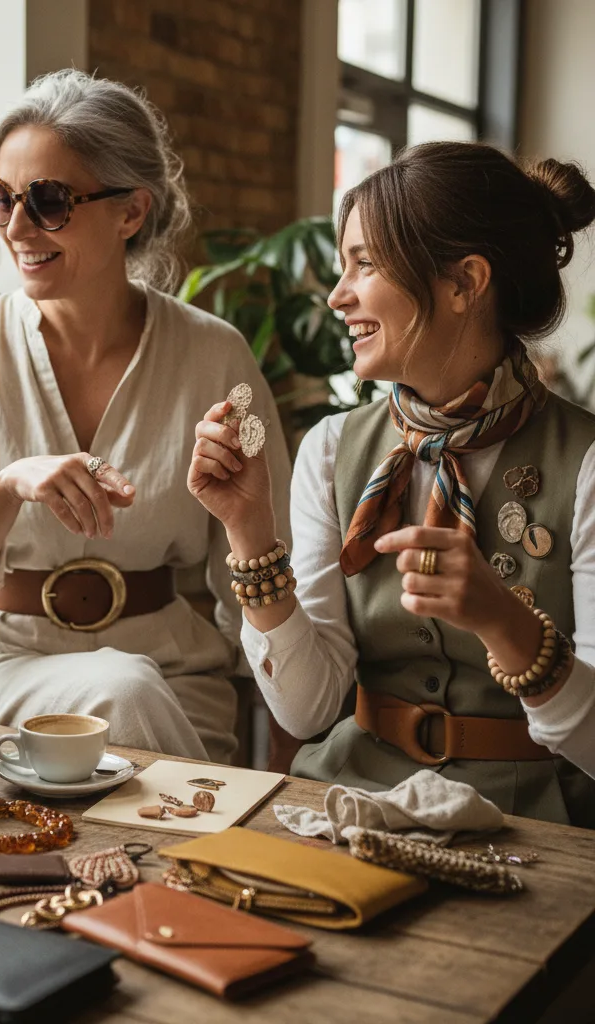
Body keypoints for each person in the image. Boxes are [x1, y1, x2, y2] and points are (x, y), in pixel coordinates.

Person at [189, 140, 595, 825]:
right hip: (352, 797)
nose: (337, 295)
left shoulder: (586, 463)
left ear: (464, 283)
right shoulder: (330, 450)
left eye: (365, 264)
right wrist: (248, 531)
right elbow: (308, 710)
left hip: (532, 819)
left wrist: (504, 621)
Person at [0, 70, 290, 764]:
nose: (15, 228)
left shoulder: (214, 356)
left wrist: (291, 733)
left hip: (178, 678)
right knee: (123, 691)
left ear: (131, 211)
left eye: (48, 201)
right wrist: (8, 488)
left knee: (134, 688)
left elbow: (265, 561)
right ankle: (208, 823)